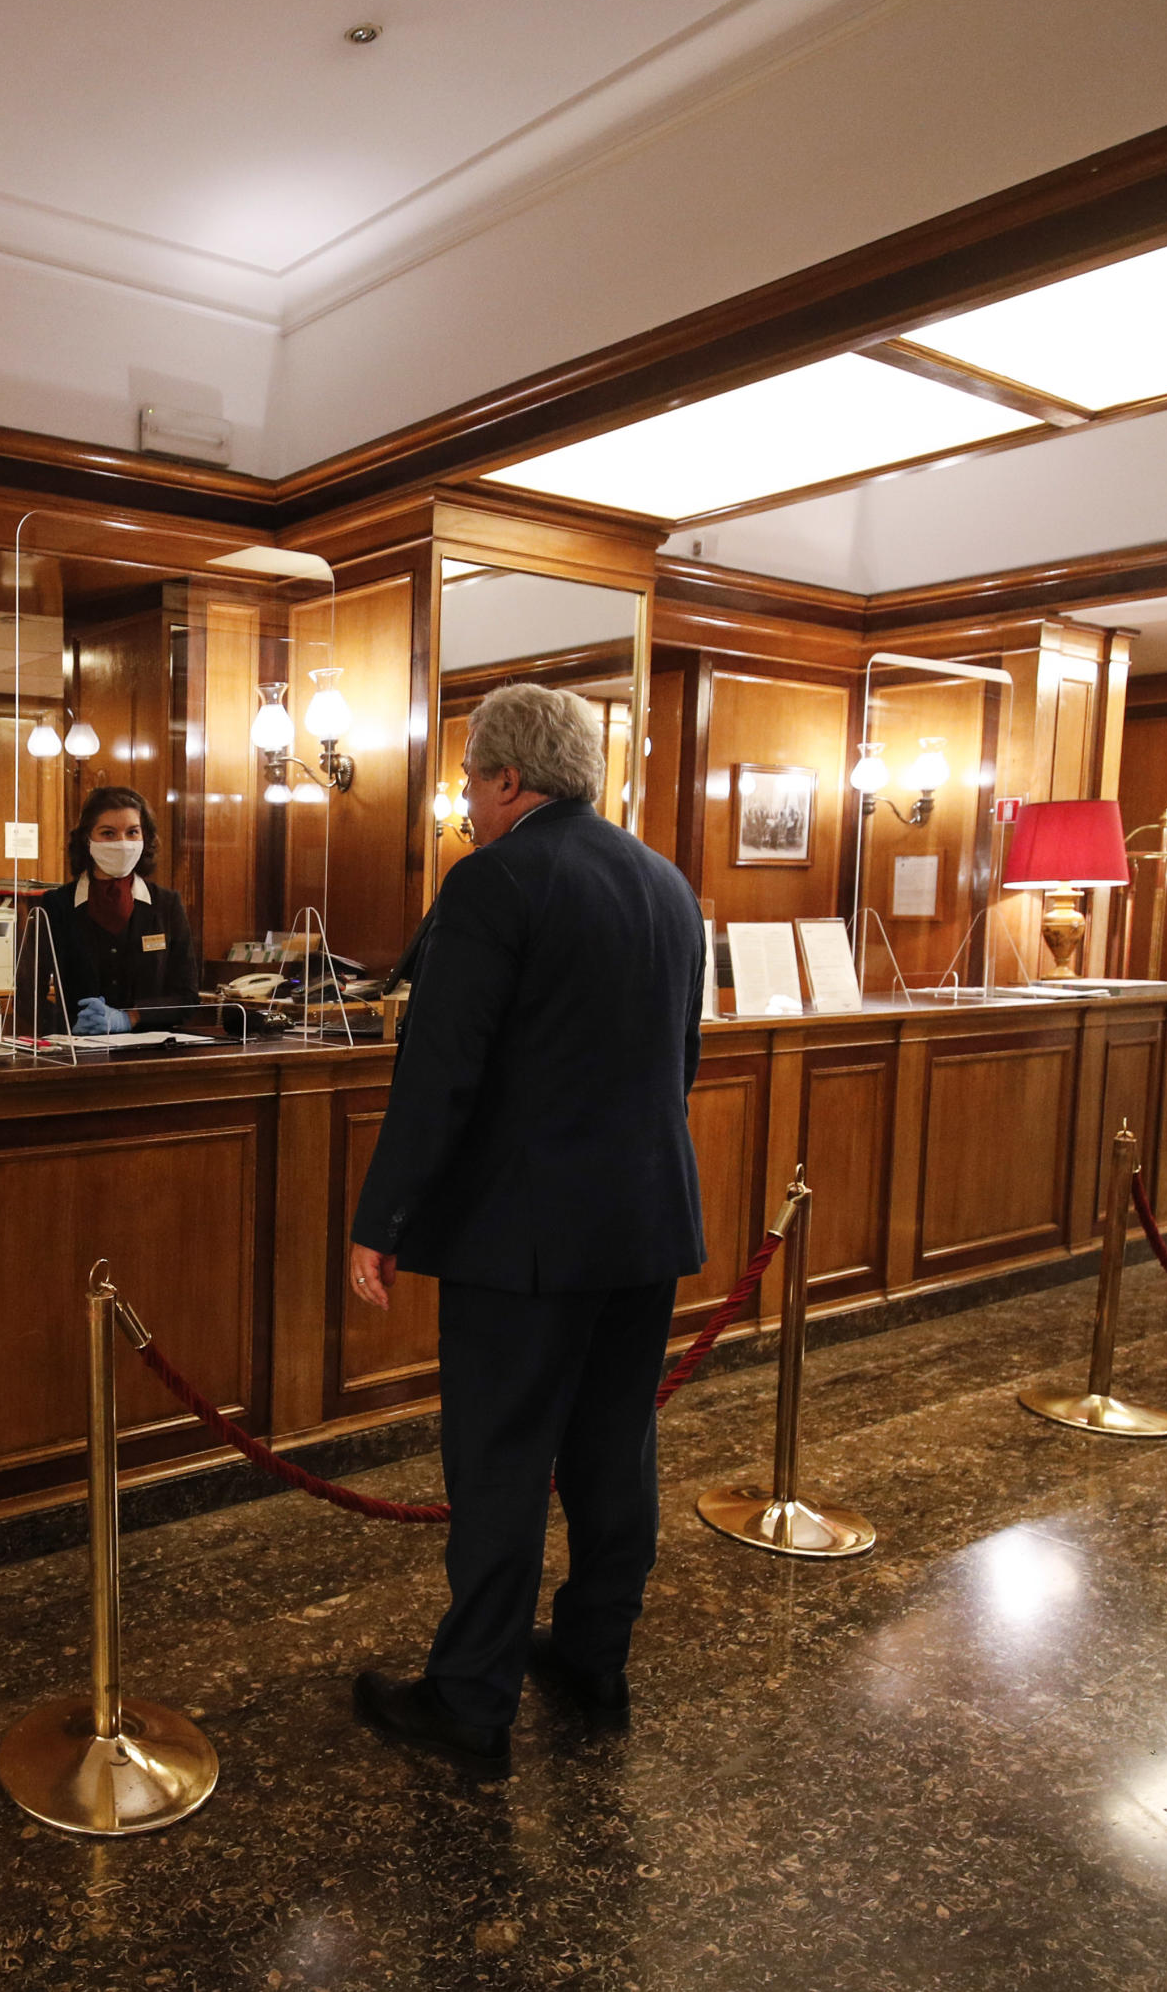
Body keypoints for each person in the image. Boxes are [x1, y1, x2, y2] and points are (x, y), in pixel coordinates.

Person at [342, 683, 707, 1778]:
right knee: (612, 1448)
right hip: (645, 1219)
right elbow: (677, 1063)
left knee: (500, 1462)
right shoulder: (666, 881)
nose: (465, 805)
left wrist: (384, 1215)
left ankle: (470, 1698)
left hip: (522, 1239)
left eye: (467, 784)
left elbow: (439, 1071)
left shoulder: (495, 878)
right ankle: (596, 1656)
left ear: (508, 779)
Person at [30, 786, 197, 1034]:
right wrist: (63, 1026)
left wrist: (131, 1017)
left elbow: (187, 997)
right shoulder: (56, 904)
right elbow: (28, 992)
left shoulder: (166, 904)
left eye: (132, 832)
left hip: (151, 1052)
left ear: (145, 837)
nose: (122, 843)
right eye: (108, 833)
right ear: (87, 839)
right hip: (75, 1053)